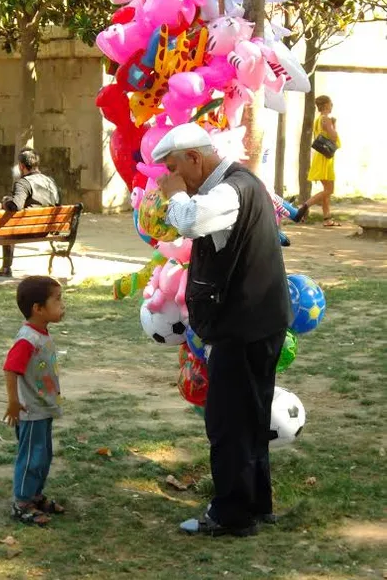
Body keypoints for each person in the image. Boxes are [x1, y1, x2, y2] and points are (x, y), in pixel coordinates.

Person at [152, 123, 292, 538]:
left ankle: (232, 514)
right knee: (249, 416)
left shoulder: (230, 189)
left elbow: (191, 222)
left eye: (177, 169)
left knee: (230, 422)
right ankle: (255, 503)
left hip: (242, 326)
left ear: (195, 157)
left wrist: (172, 195)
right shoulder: (242, 183)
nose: (176, 179)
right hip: (258, 322)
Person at [3, 275, 66, 526]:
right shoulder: (27, 340)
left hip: (43, 408)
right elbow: (10, 368)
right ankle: (21, 503)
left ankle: (34, 496)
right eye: (57, 300)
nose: (63, 305)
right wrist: (13, 403)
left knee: (43, 455)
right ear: (38, 309)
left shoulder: (41, 333)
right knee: (31, 457)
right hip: (30, 411)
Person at [0, 148, 61, 277]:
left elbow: (15, 205)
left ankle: (6, 268)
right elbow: (58, 203)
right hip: (47, 228)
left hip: (29, 230)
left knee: (7, 231)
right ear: (37, 164)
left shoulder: (23, 183)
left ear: (21, 166)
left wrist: (4, 202)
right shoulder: (50, 181)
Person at [301, 95, 341, 227]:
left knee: (326, 190)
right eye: (330, 103)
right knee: (329, 190)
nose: (332, 105)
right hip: (325, 158)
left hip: (321, 155)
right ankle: (305, 206)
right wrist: (333, 125)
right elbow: (333, 137)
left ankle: (327, 218)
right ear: (325, 105)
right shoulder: (326, 119)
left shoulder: (318, 119)